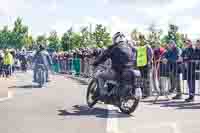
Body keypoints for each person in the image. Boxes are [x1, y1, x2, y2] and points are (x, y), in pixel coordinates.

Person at [92, 32, 135, 97]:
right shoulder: (130, 48)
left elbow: (104, 56)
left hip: (116, 72)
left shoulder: (114, 47)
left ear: (115, 39)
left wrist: (95, 63)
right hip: (129, 71)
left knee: (100, 76)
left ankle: (104, 94)